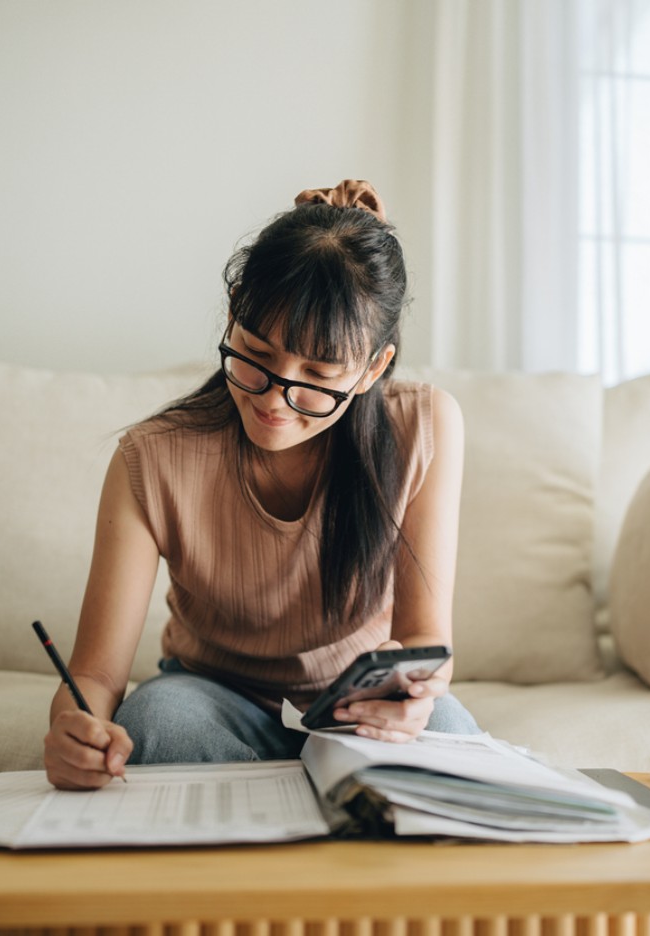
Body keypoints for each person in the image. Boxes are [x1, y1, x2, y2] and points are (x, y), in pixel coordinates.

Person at [43, 180, 480, 790]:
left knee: (453, 744)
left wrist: (416, 695)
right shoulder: (153, 457)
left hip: (357, 703)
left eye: (318, 375)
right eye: (254, 354)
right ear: (232, 312)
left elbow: (425, 639)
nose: (276, 399)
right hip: (210, 694)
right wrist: (74, 723)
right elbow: (94, 675)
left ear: (373, 369)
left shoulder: (423, 426)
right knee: (157, 724)